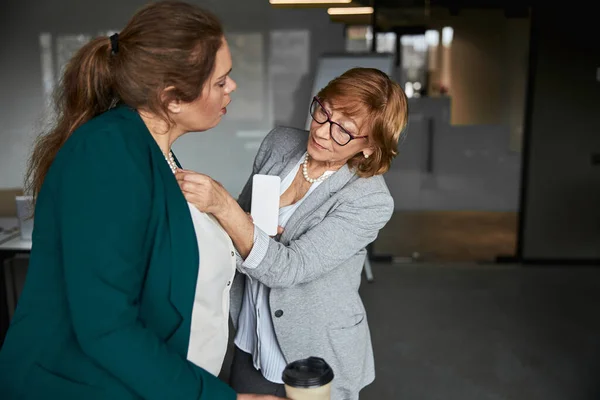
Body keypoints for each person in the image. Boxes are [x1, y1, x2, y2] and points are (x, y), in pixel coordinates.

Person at [0, 2, 283, 400]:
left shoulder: (152, 151)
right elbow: (107, 327)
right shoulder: (107, 155)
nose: (231, 88)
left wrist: (230, 222)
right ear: (171, 99)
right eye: (221, 82)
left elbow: (159, 252)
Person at [177, 67, 409, 399]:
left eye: (344, 129)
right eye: (324, 110)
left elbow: (288, 269)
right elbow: (241, 226)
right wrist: (239, 221)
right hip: (250, 338)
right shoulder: (280, 143)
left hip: (315, 356)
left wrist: (221, 204)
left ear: (370, 147)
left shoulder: (369, 200)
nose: (323, 131)